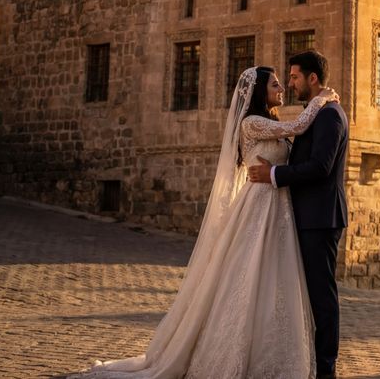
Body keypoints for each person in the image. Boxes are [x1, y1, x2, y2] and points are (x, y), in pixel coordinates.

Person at [76, 66, 336, 378]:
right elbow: (298, 125)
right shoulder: (251, 122)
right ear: (259, 92)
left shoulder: (269, 122)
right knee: (248, 272)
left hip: (279, 206)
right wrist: (322, 99)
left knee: (276, 277)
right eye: (275, 84)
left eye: (284, 83)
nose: (282, 89)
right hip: (259, 203)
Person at [247, 50, 349, 379]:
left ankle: (326, 370)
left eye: (293, 77)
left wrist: (274, 174)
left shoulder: (330, 115)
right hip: (304, 217)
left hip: (320, 218)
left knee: (322, 296)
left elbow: (320, 167)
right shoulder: (314, 112)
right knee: (303, 294)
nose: (290, 84)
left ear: (312, 78)